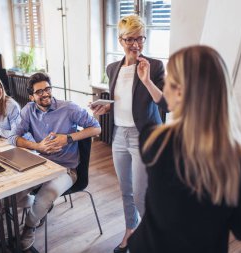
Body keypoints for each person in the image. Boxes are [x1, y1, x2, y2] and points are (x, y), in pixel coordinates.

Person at [128, 45, 241, 253]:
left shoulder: (154, 141)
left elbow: (166, 105)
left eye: (168, 82)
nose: (164, 88)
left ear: (180, 92)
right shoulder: (237, 160)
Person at [90, 15, 166, 253]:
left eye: (140, 38)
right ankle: (130, 231)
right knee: (125, 191)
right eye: (130, 39)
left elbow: (166, 104)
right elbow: (122, 100)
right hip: (119, 136)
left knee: (142, 196)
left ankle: (154, 240)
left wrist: (146, 80)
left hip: (143, 137)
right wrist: (106, 106)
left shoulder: (153, 66)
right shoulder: (112, 68)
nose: (135, 44)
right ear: (120, 40)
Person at [8, 72, 101, 250]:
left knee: (46, 195)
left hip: (66, 169)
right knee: (12, 193)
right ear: (31, 96)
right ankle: (37, 209)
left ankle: (29, 226)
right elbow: (13, 137)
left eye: (47, 89)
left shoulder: (69, 108)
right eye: (39, 91)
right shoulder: (28, 110)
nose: (45, 94)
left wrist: (68, 138)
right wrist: (37, 146)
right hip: (40, 164)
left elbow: (96, 128)